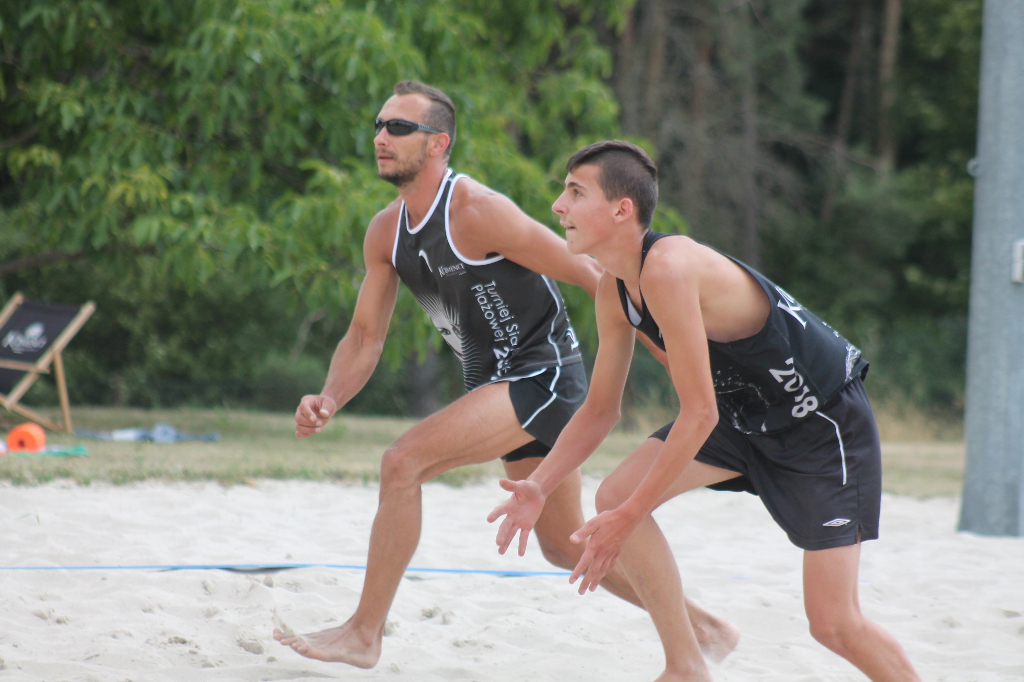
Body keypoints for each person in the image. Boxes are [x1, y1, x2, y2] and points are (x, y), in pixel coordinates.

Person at [273, 84, 737, 668]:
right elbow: (365, 337)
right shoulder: (385, 232)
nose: (380, 137)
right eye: (379, 125)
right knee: (563, 546)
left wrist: (677, 357)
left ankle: (364, 634)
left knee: (402, 462)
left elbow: (594, 274)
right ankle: (704, 628)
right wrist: (330, 396)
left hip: (542, 375)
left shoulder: (474, 210)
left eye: (398, 128)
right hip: (501, 385)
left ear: (438, 143)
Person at [489, 140, 922, 681]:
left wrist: (625, 522)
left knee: (834, 625)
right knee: (617, 495)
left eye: (575, 192)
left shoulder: (669, 268)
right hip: (746, 415)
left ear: (622, 210)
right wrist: (541, 484)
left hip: (822, 423)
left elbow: (699, 415)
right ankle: (687, 663)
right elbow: (601, 410)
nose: (558, 206)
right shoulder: (613, 291)